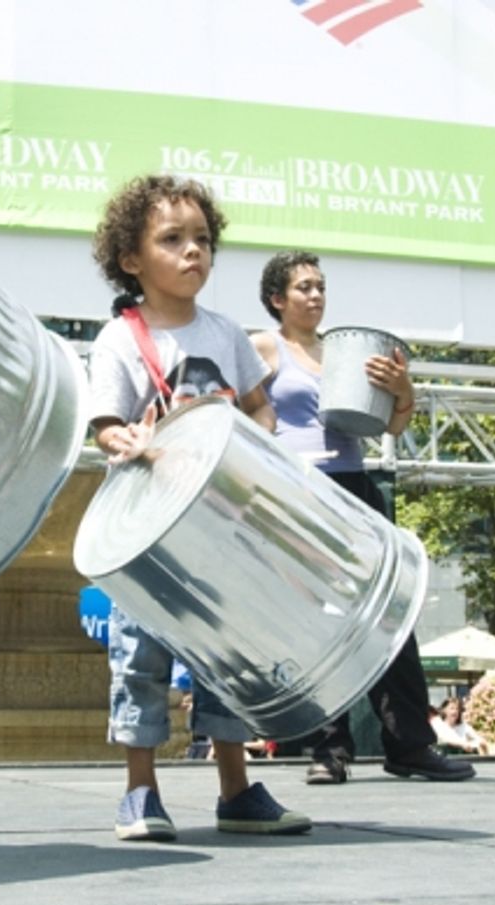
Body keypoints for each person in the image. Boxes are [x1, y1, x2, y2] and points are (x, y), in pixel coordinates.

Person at [87, 174, 310, 842]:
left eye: (203, 240)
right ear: (131, 259)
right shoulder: (119, 338)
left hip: (223, 527)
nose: (193, 253)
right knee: (139, 657)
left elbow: (259, 404)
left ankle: (235, 789)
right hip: (148, 537)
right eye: (172, 239)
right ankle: (140, 791)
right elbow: (104, 421)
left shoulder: (228, 333)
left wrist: (265, 433)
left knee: (228, 657)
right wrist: (117, 435)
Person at [249, 251, 474, 785]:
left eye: (321, 286)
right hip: (297, 491)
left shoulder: (347, 349)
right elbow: (244, 410)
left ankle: (410, 746)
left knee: (390, 616)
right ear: (278, 299)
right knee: (317, 623)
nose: (316, 296)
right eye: (304, 287)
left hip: (354, 488)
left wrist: (402, 390)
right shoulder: (262, 345)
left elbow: (391, 428)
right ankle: (330, 749)